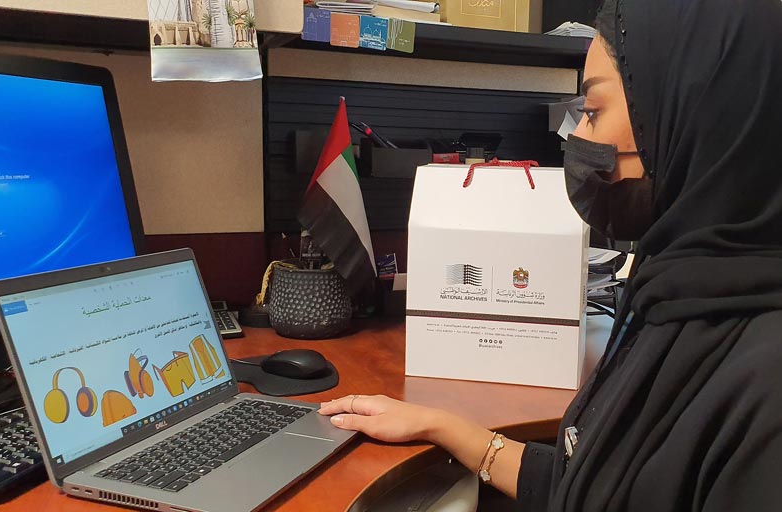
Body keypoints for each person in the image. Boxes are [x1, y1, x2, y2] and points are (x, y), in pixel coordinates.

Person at [319, 0, 782, 509]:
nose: (577, 138)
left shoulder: (765, 388)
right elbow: (587, 482)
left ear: (703, 117)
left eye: (593, 112)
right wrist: (442, 426)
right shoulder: (671, 297)